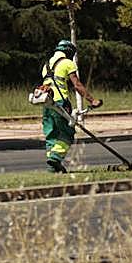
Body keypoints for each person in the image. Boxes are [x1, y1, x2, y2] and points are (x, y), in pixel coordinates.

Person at [40, 39, 100, 173]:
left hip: (46, 103)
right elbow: (77, 85)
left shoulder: (46, 65)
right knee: (67, 134)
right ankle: (55, 158)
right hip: (60, 103)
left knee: (51, 134)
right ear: (69, 52)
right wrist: (92, 100)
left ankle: (52, 167)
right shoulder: (68, 63)